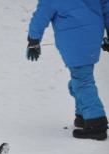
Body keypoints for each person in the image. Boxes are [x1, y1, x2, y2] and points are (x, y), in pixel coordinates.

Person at [26, 0, 109, 140]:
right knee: (80, 78)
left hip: (74, 40)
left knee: (82, 81)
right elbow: (106, 7)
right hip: (93, 35)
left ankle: (96, 123)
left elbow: (41, 15)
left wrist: (33, 40)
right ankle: (82, 115)